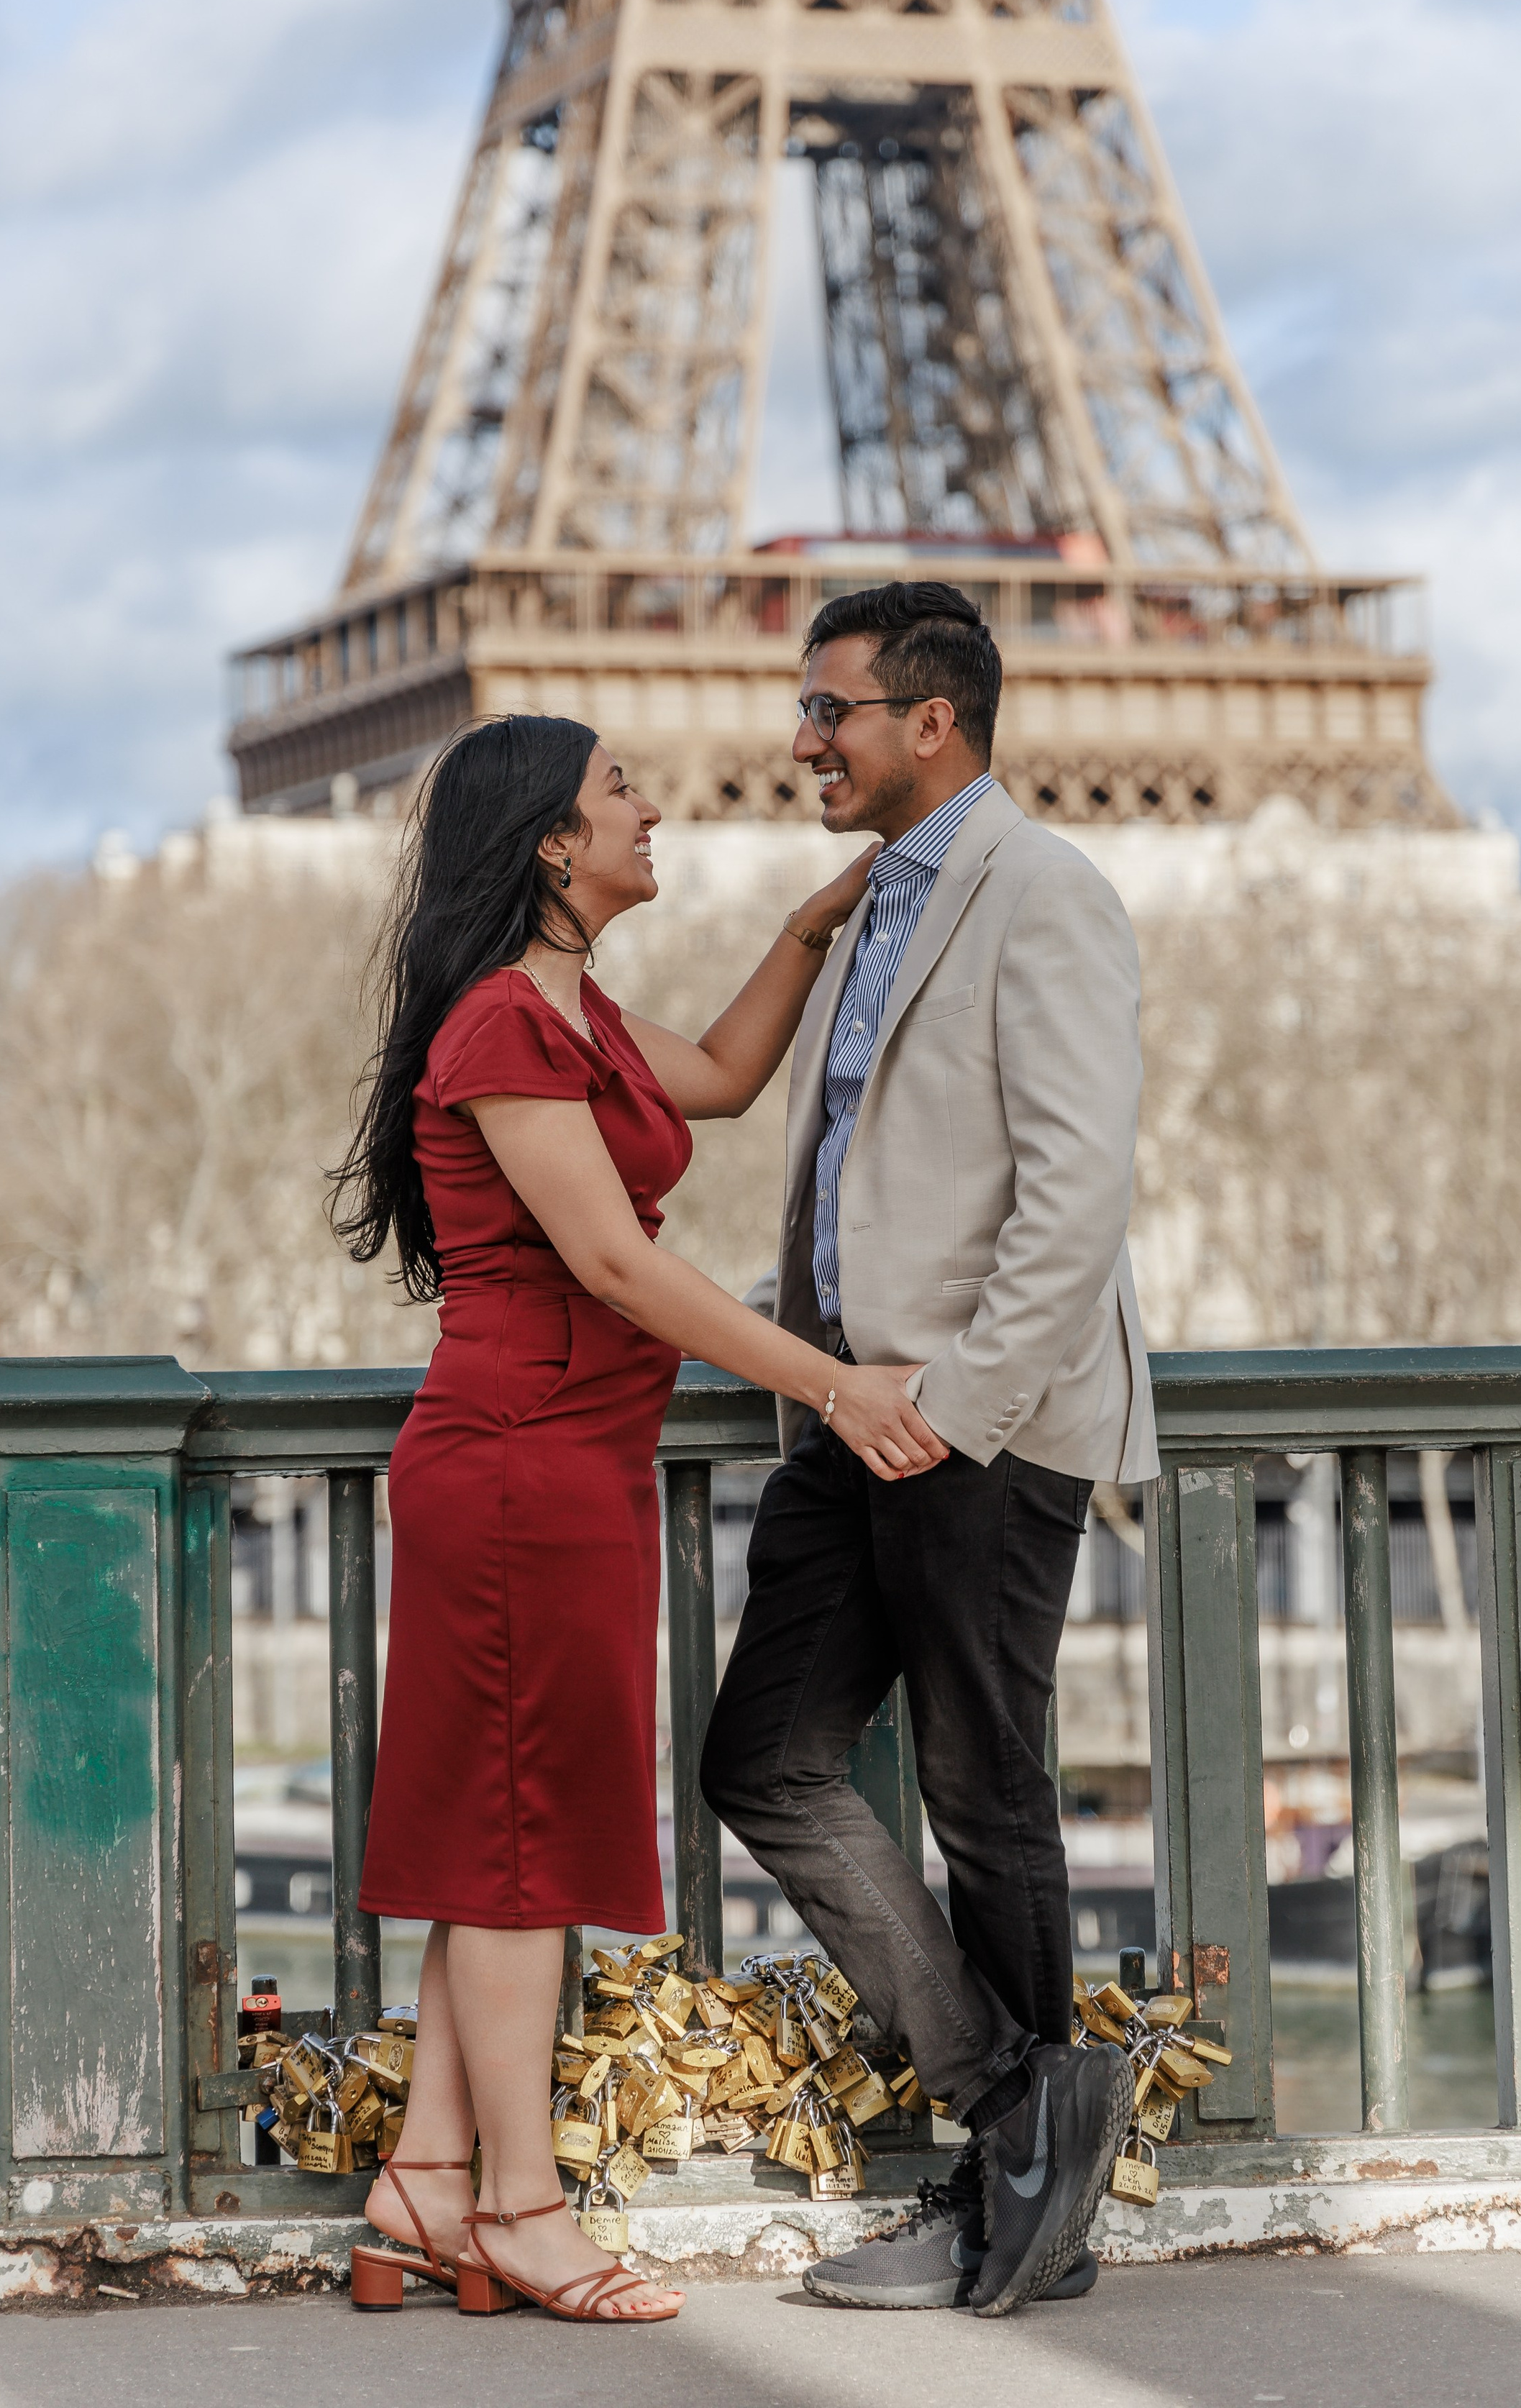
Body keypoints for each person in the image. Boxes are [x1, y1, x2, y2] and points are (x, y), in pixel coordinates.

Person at [329, 711, 944, 2326]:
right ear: (551, 839)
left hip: (567, 1463)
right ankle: (522, 2209)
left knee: (498, 1840)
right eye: (620, 792)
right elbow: (613, 1263)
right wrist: (831, 1384)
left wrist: (814, 926)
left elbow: (731, 1079)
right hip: (522, 1460)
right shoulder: (504, 1031)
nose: (651, 809)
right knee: (521, 1852)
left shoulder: (572, 1013)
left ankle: (423, 2182)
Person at [699, 580, 1159, 2320]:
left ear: (930, 724)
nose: (800, 736)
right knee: (764, 1763)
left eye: (829, 710)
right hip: (843, 1410)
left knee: (985, 1798)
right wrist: (796, 1351)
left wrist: (946, 1408)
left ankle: (1008, 2212)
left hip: (974, 1421)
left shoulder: (1042, 893)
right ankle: (1022, 2111)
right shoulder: (868, 903)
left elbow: (1074, 1192)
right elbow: (852, 1167)